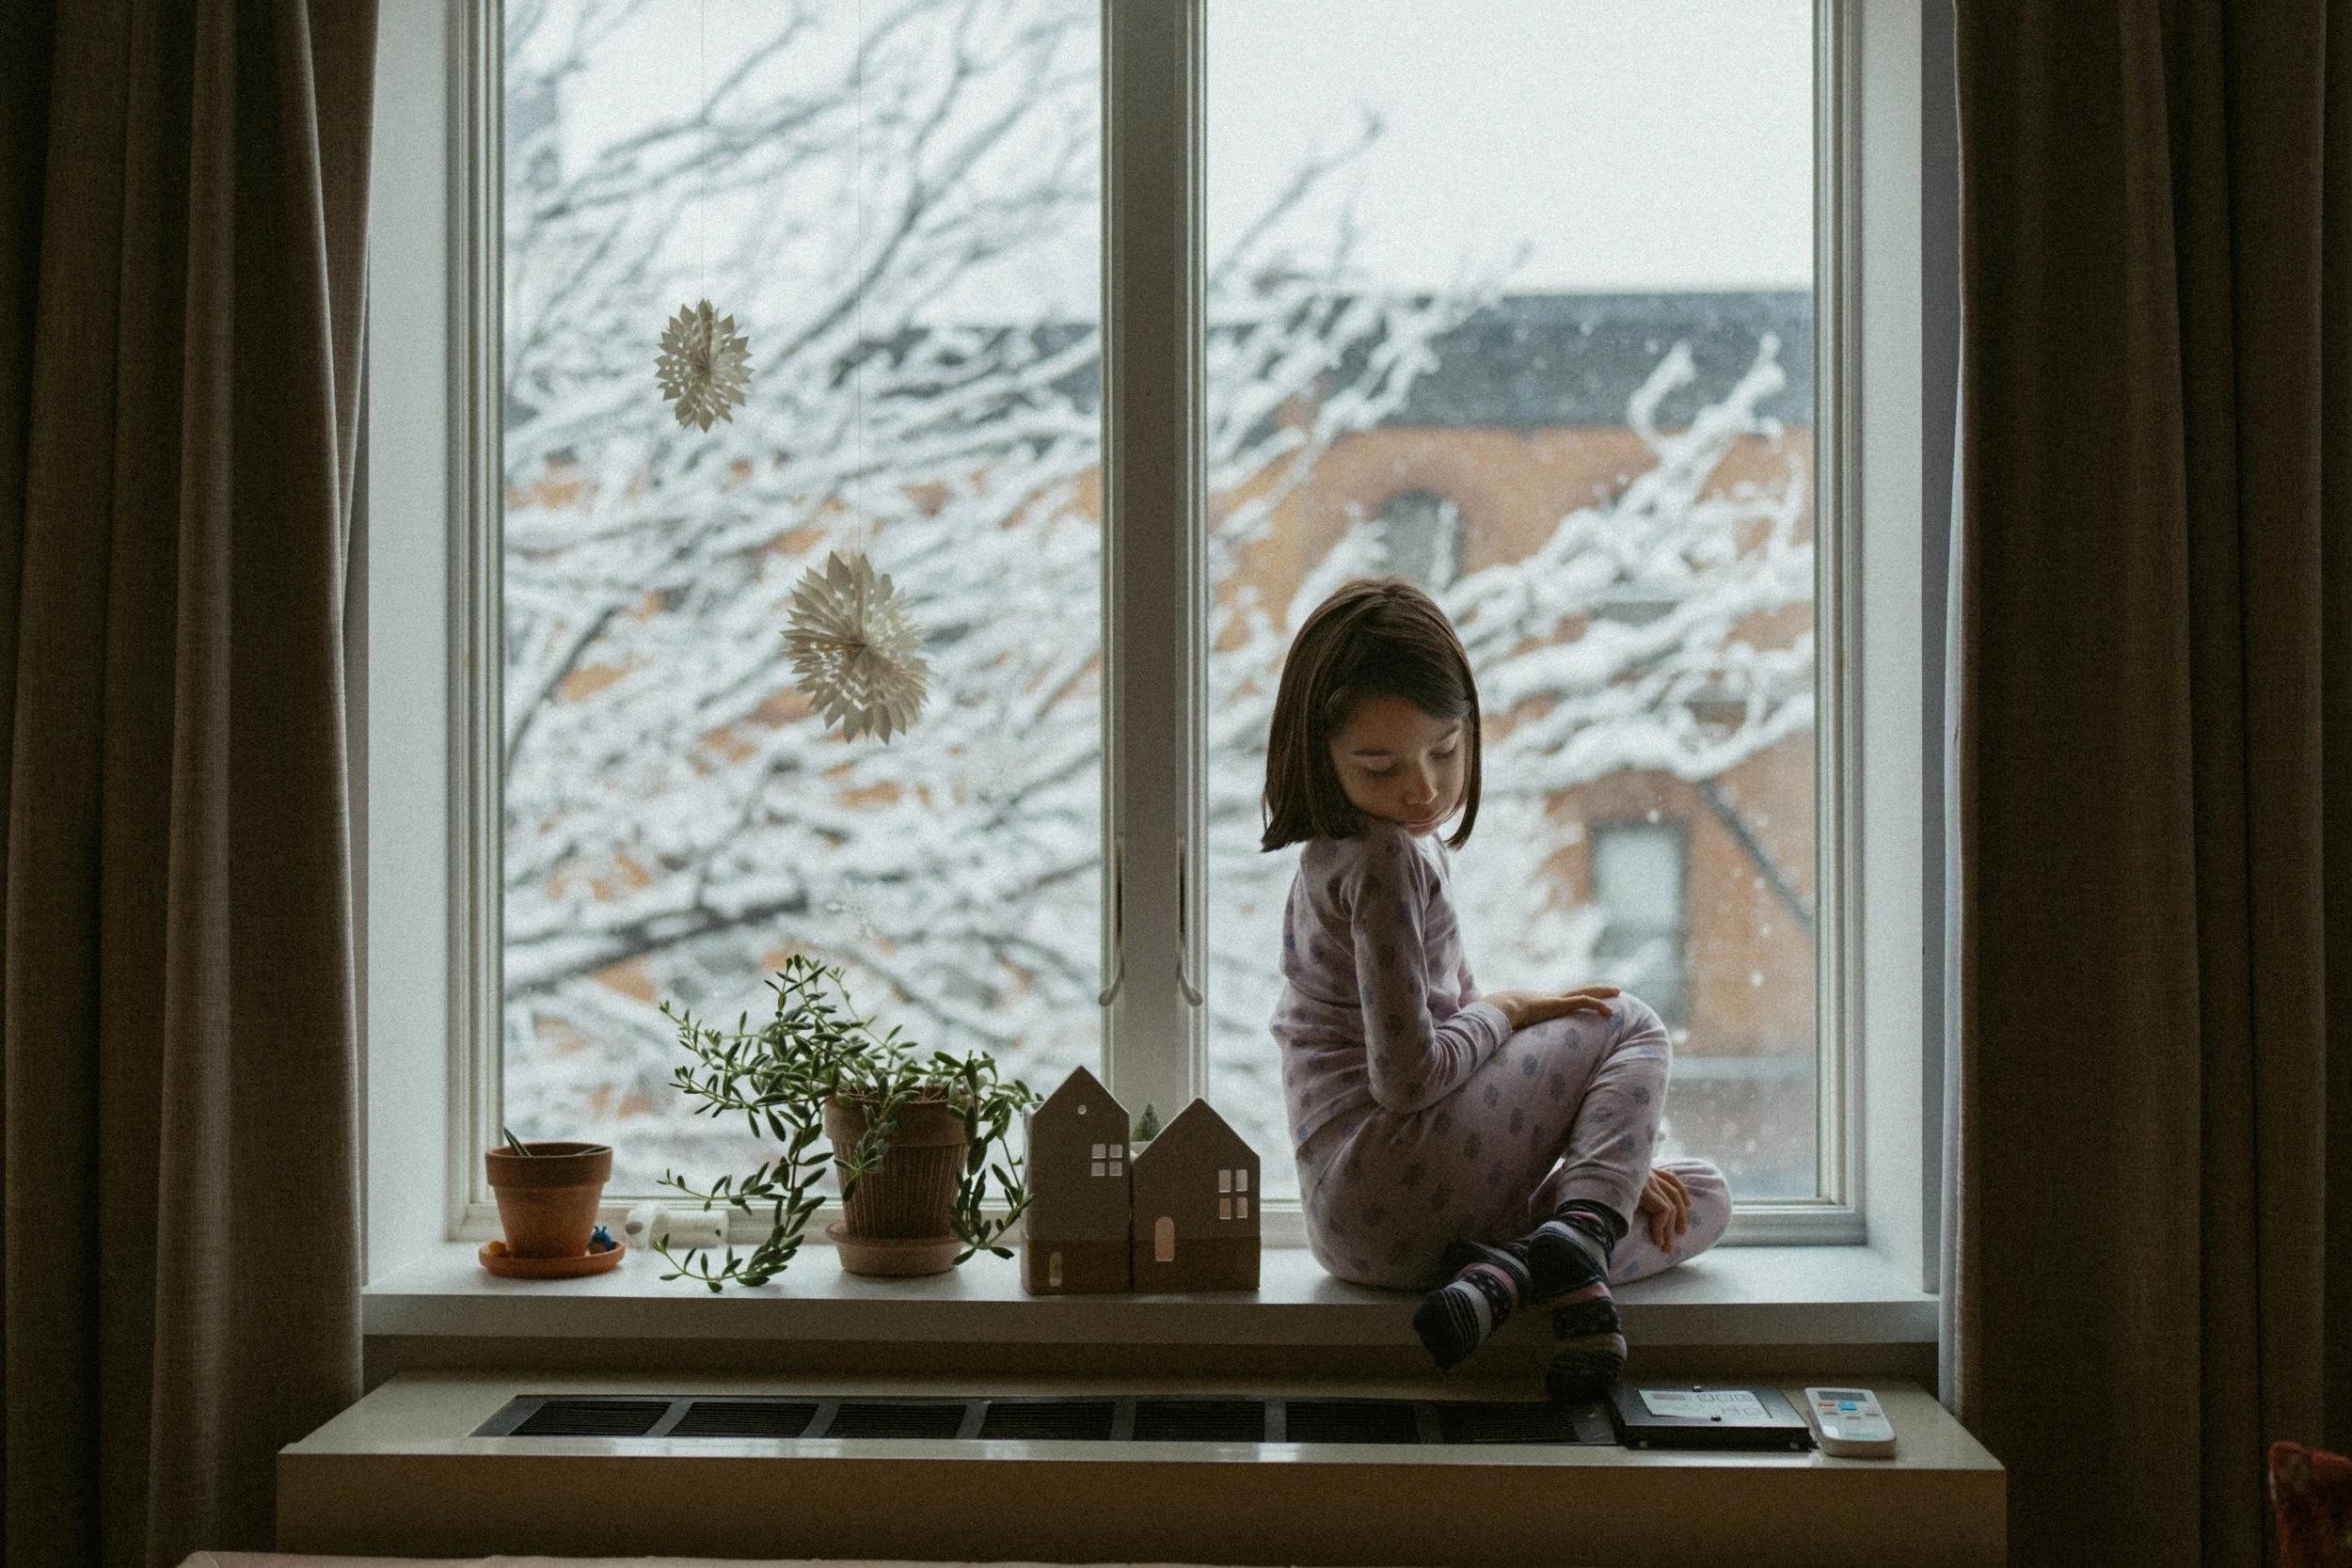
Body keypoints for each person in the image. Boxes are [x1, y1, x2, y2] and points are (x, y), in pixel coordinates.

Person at [1262, 577, 1731, 1401]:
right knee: (1632, 1021)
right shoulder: (1380, 859)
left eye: (1445, 750)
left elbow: (1454, 1042)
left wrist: (1613, 1165)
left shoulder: (1348, 855)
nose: (1423, 790)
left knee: (1700, 1198)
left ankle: (1515, 1270)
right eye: (1381, 766)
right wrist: (1508, 1008)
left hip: (1360, 1234)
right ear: (1318, 757)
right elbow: (1407, 1080)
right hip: (1388, 1166)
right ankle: (1575, 1237)